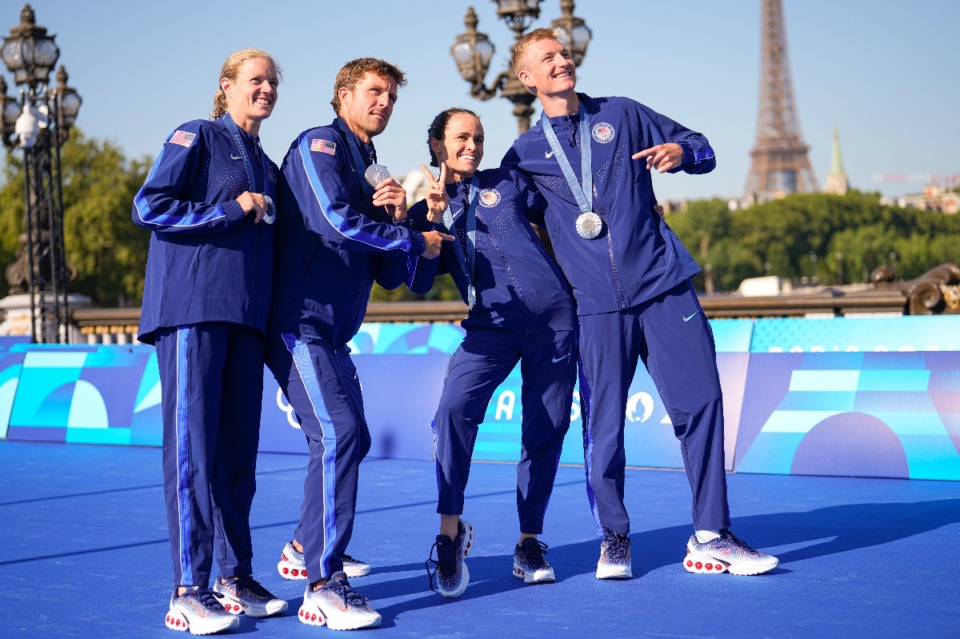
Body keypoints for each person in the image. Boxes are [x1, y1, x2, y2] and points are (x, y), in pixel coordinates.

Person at [502, 29, 779, 579]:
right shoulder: (526, 153)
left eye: (564, 52)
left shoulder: (622, 113)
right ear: (525, 78)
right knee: (603, 426)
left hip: (663, 285)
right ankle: (614, 538)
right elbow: (500, 215)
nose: (562, 60)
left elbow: (703, 145)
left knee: (700, 405)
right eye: (546, 58)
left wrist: (683, 153)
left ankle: (710, 534)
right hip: (595, 308)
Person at [265, 58, 452, 630]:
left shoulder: (370, 162)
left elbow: (389, 274)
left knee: (355, 435)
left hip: (331, 333)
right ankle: (322, 585)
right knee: (340, 433)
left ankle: (304, 550)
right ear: (343, 94)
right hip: (298, 323)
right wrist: (409, 236)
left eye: (391, 96)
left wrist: (405, 222)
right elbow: (333, 222)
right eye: (374, 92)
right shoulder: (319, 145)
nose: (384, 103)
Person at [132, 49, 287, 635]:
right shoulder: (196, 134)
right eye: (256, 79)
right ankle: (186, 589)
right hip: (193, 312)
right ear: (226, 87)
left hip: (247, 322)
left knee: (237, 460)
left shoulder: (268, 164)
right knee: (193, 451)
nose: (267, 88)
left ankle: (233, 575)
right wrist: (230, 209)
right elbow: (149, 205)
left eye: (273, 81)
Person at [409, 109, 578, 598]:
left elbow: (563, 216)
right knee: (454, 411)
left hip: (554, 323)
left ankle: (528, 542)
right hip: (490, 329)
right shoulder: (426, 212)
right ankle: (449, 534)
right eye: (462, 137)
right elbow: (419, 283)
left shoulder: (508, 181)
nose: (473, 145)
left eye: (479, 137)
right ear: (438, 145)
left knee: (545, 428)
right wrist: (435, 221)